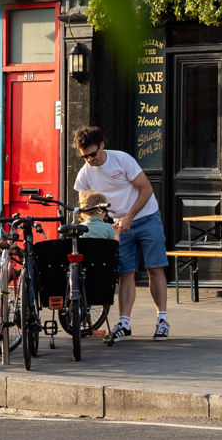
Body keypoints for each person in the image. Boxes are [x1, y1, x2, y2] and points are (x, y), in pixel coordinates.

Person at [72, 126, 170, 341]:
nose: (89, 159)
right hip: (117, 225)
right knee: (125, 273)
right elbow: (84, 206)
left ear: (102, 146)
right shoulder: (85, 175)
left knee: (155, 268)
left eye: (93, 154)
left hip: (146, 217)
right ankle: (124, 323)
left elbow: (147, 189)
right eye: (84, 156)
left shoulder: (122, 160)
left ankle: (162, 320)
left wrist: (129, 217)